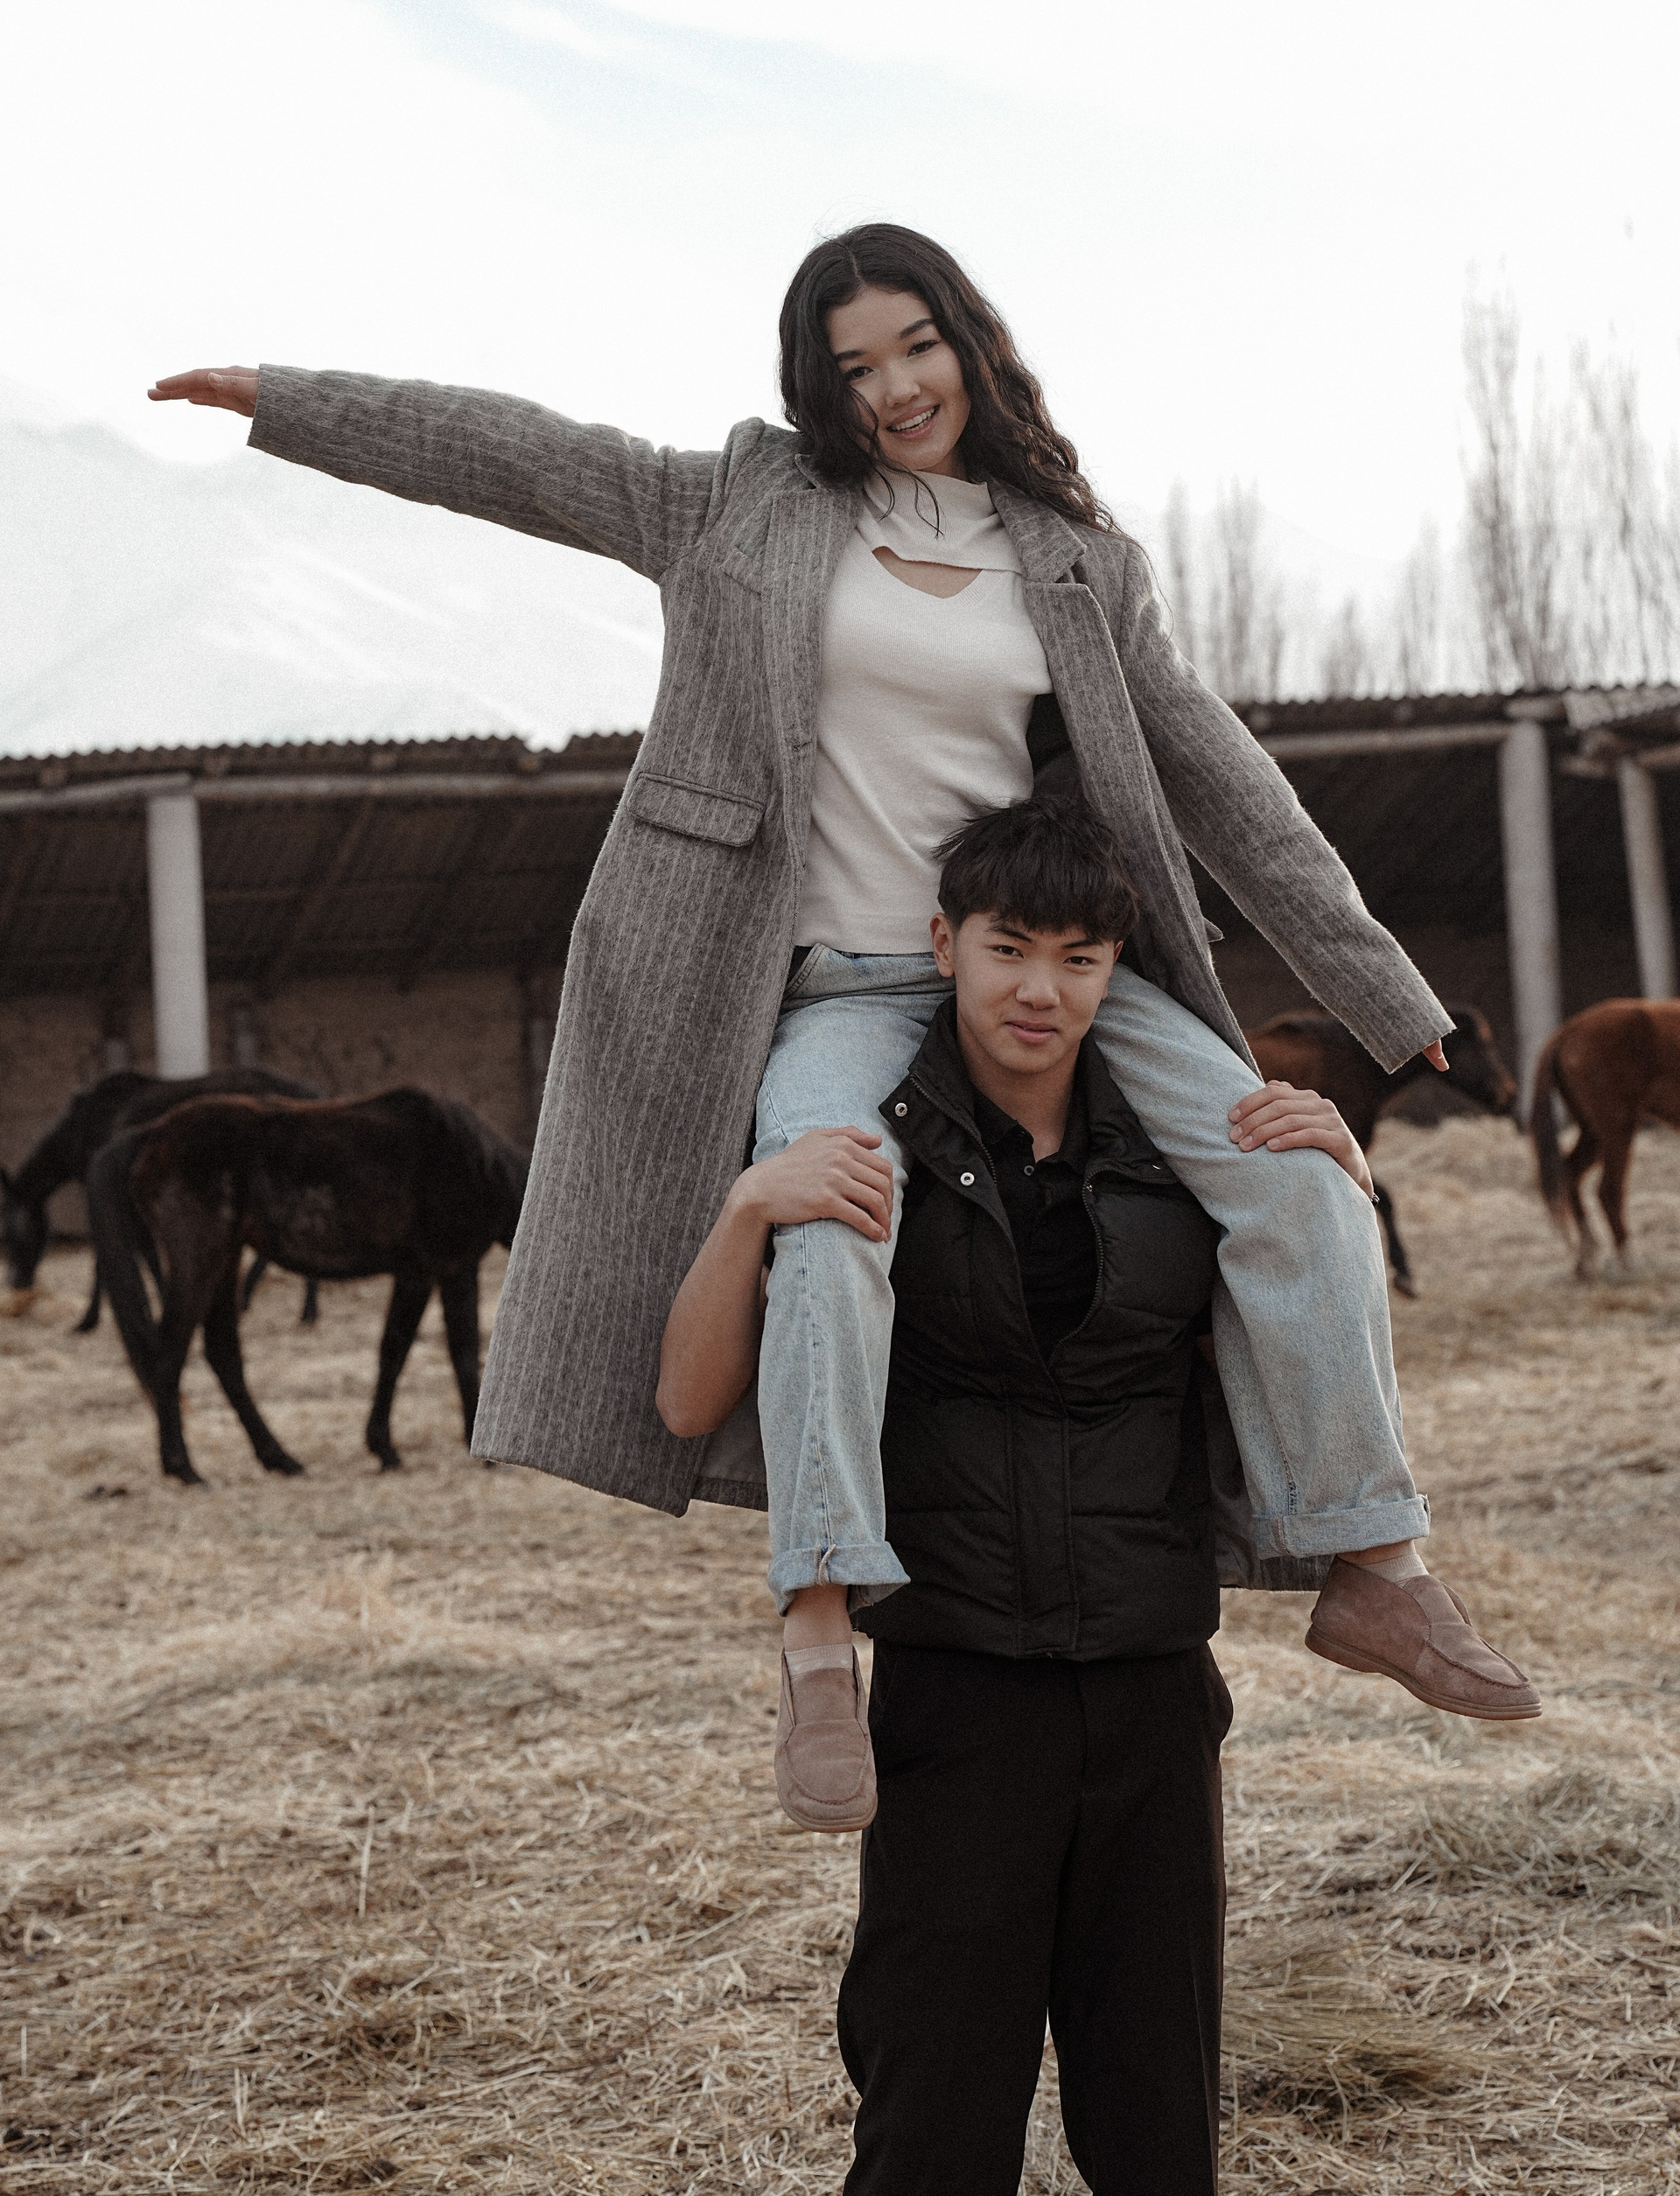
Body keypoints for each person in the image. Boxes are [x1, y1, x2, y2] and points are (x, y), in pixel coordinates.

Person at [149, 221, 1530, 1828]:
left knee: (1300, 1176)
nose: (896, 388)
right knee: (829, 1219)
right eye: (855, 365)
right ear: (819, 382)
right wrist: (284, 400)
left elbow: (1222, 776)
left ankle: (1374, 1565)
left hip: (1036, 964)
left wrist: (1380, 992)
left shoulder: (1076, 560)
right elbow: (516, 454)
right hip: (841, 983)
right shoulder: (742, 502)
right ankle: (818, 1635)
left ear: (970, 342)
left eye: (917, 346)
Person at [661, 792, 1533, 2192]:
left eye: (1079, 959)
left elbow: (1294, 1346)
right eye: (1010, 949)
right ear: (942, 946)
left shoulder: (1191, 1160)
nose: (1041, 991)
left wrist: (1340, 1178)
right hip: (956, 1702)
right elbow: (688, 1403)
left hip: (1153, 1697)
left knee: (1158, 2137)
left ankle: (1385, 1585)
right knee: (932, 2135)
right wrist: (748, 1206)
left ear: (1119, 971)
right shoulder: (861, 1150)